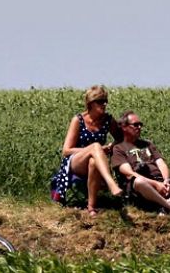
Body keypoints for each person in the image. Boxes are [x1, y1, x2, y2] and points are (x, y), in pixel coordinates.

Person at [50, 85, 124, 216]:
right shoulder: (78, 120)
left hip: (96, 162)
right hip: (75, 162)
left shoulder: (108, 120)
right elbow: (66, 151)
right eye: (100, 101)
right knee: (95, 147)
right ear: (91, 103)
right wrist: (93, 149)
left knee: (93, 162)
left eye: (105, 101)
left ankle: (91, 207)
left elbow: (121, 139)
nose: (104, 104)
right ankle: (111, 183)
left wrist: (111, 146)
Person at [111, 111, 170, 214]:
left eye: (140, 124)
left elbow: (161, 163)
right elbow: (129, 173)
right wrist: (156, 184)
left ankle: (167, 203)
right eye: (135, 125)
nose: (139, 127)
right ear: (124, 127)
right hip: (144, 188)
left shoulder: (147, 144)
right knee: (138, 181)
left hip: (163, 184)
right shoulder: (118, 148)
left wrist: (166, 181)